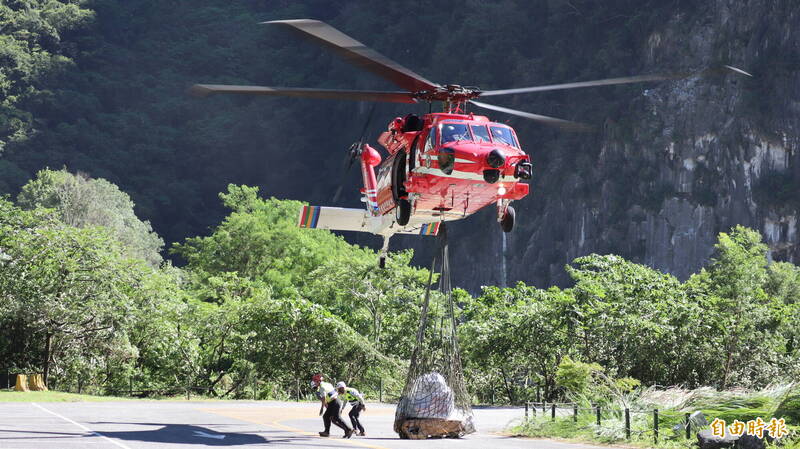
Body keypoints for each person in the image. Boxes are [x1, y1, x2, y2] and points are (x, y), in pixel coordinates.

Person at [311, 374, 353, 438]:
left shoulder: (322, 387)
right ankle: (327, 432)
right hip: (334, 402)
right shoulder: (327, 384)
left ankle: (349, 429)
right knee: (326, 416)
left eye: (315, 381)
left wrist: (322, 408)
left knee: (336, 418)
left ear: (318, 381)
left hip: (334, 402)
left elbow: (324, 398)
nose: (314, 383)